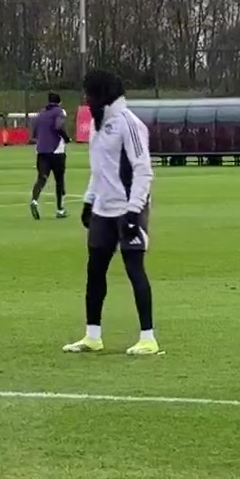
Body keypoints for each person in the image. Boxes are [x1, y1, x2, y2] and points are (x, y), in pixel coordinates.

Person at [65, 70, 158, 357]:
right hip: (103, 211)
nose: (86, 99)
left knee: (134, 269)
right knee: (95, 271)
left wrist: (133, 211)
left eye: (89, 94)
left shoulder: (129, 124)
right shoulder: (97, 124)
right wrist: (89, 201)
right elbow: (100, 169)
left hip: (128, 209)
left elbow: (143, 170)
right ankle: (92, 336)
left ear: (102, 95)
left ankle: (148, 338)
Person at [30, 92, 69, 220]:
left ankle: (34, 200)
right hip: (57, 150)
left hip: (42, 150)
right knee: (59, 181)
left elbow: (35, 133)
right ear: (59, 102)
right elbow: (58, 126)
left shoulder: (41, 114)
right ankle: (60, 209)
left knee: (41, 178)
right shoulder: (59, 112)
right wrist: (66, 138)